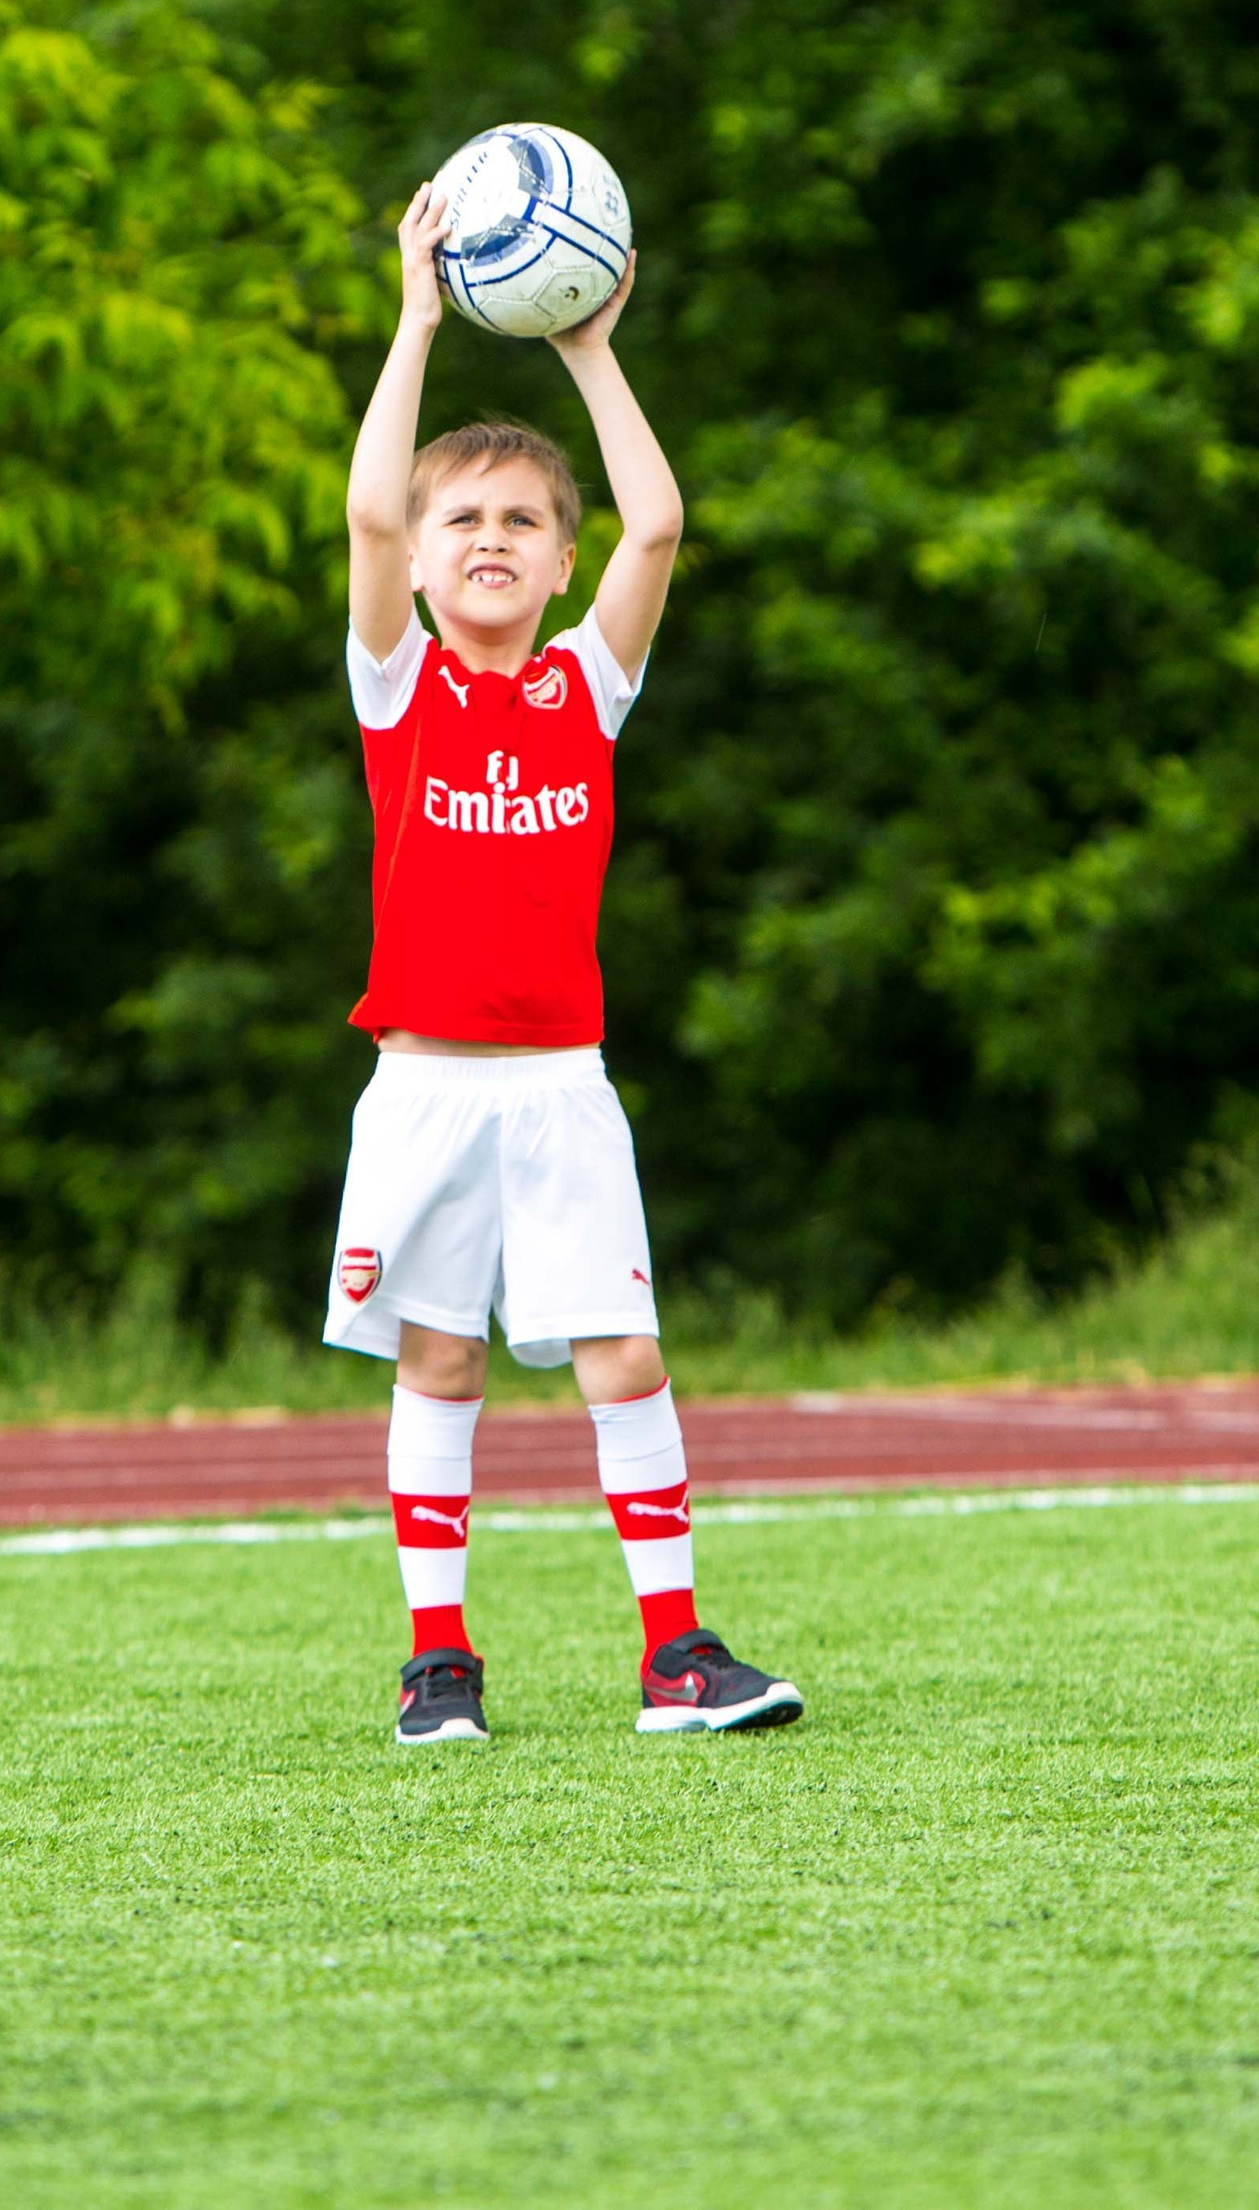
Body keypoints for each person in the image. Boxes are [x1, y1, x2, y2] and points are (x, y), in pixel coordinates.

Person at [327, 180, 806, 1746]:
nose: (485, 538)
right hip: (424, 1093)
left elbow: (660, 522)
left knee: (626, 1350)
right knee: (443, 1356)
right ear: (418, 563)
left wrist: (592, 350)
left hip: (560, 1090)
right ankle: (438, 1667)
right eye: (461, 519)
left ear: (555, 567)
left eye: (521, 523)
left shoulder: (582, 692)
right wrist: (414, 314)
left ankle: (675, 1657)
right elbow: (368, 511)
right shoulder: (401, 690)